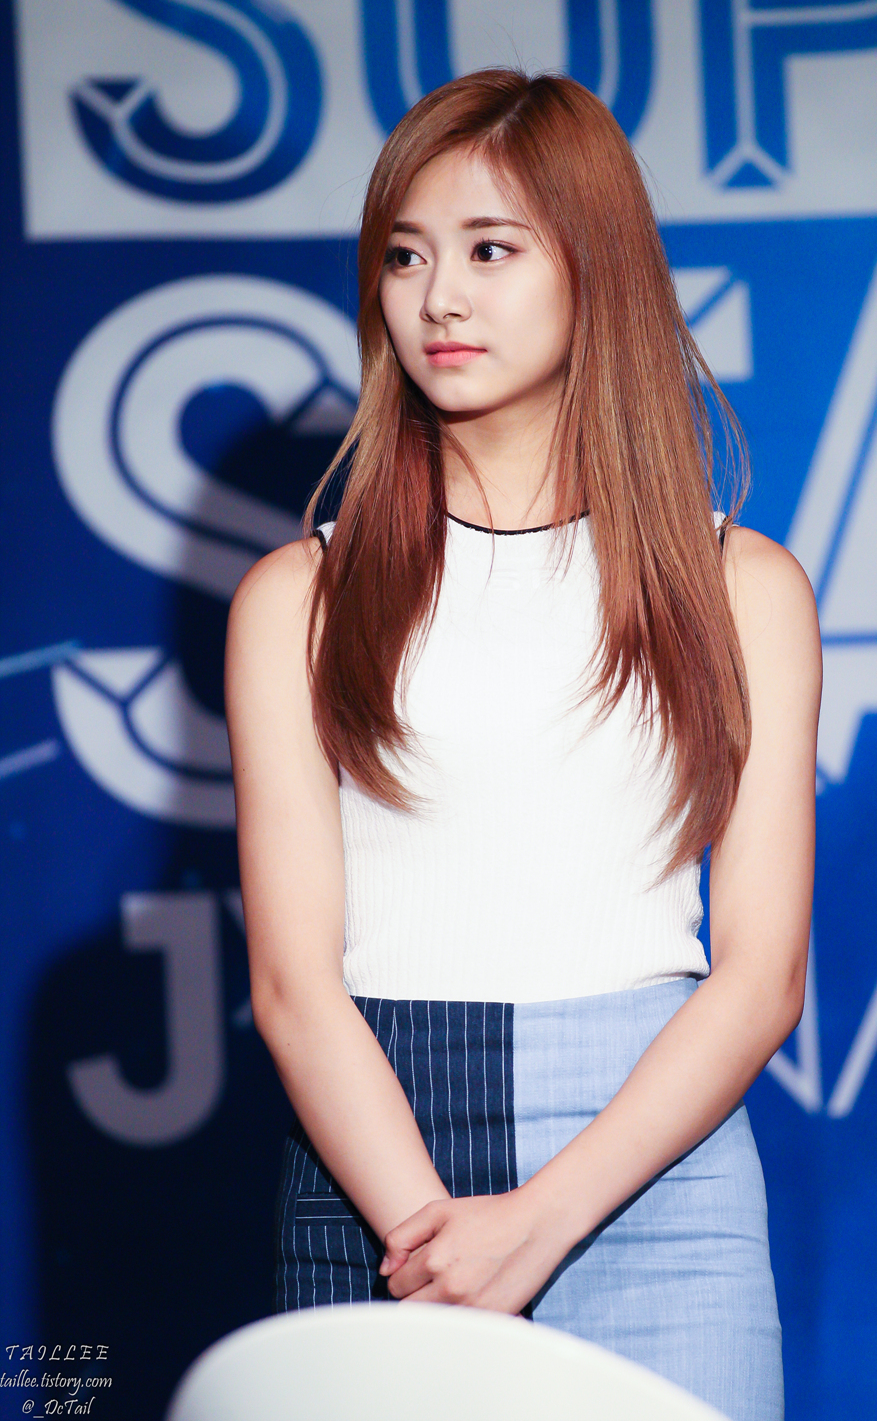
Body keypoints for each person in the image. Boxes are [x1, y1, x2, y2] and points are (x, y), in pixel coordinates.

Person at [224, 69, 821, 1421]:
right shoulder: (297, 600)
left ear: (594, 269)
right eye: (406, 255)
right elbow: (293, 986)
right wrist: (435, 1239)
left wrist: (542, 1219)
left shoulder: (743, 591)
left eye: (491, 250)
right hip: (381, 1183)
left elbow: (763, 976)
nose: (440, 297)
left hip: (657, 1190)